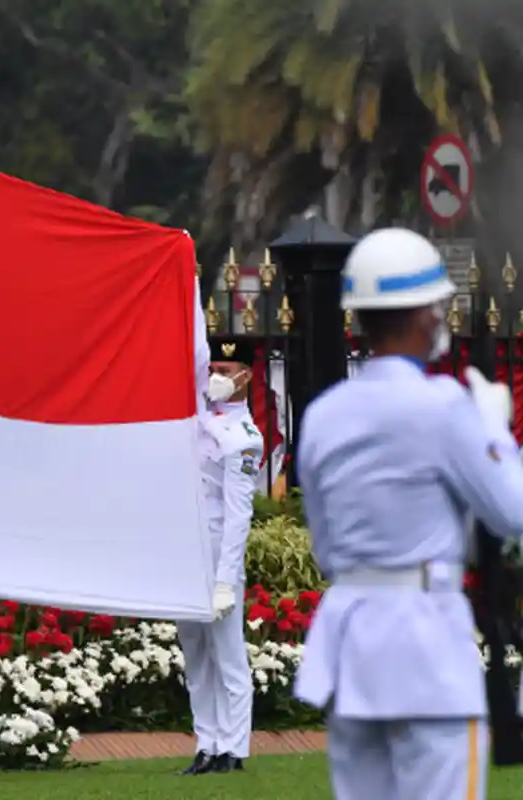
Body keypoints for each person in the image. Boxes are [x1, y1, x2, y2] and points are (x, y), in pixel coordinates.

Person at [293, 227, 523, 800]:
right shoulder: (443, 406)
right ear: (424, 314)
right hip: (426, 652)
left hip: (351, 647)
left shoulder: (325, 414)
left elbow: (324, 543)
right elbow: (513, 511)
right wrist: (495, 429)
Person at [177, 336, 263, 775]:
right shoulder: (198, 416)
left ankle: (234, 748)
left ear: (247, 376)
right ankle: (206, 742)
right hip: (188, 549)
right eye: (215, 369)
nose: (218, 377)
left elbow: (237, 516)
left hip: (216, 553)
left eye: (228, 372)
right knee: (195, 652)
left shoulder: (245, 439)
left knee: (227, 653)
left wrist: (227, 578)